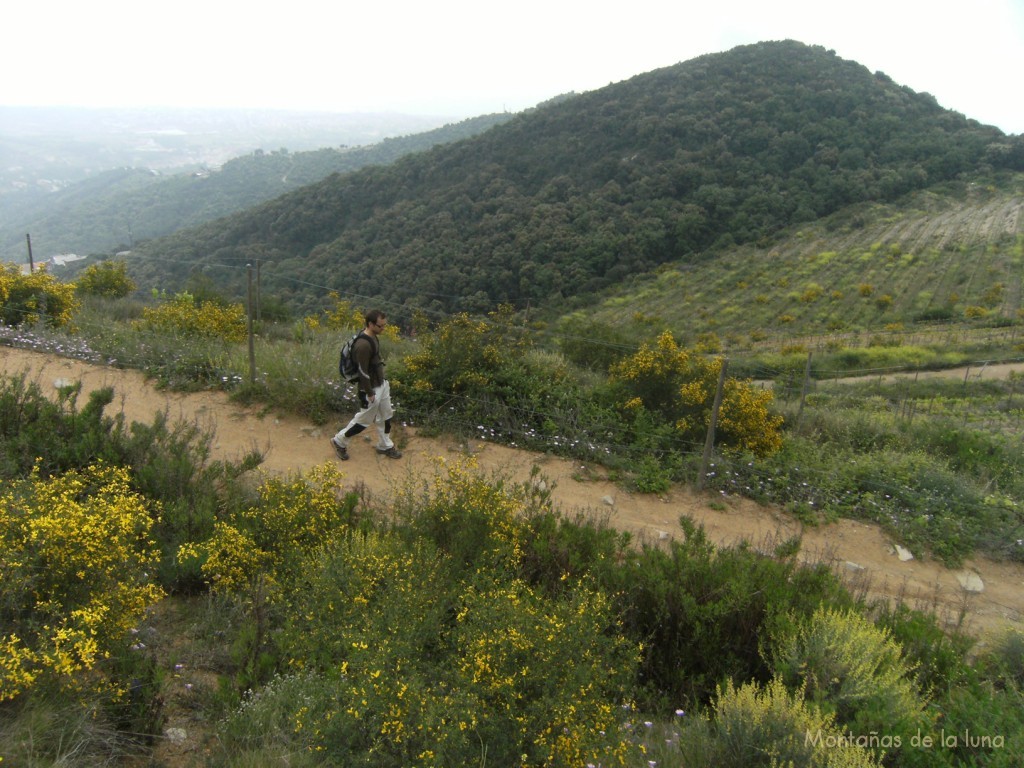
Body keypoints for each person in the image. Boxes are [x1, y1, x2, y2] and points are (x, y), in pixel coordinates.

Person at [330, 309, 402, 460]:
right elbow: (362, 372)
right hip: (370, 389)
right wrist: (369, 393)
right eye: (380, 326)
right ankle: (339, 441)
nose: (383, 329)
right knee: (364, 420)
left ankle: (385, 445)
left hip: (381, 384)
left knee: (386, 415)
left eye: (384, 325)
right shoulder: (363, 345)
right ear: (370, 324)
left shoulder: (373, 336)